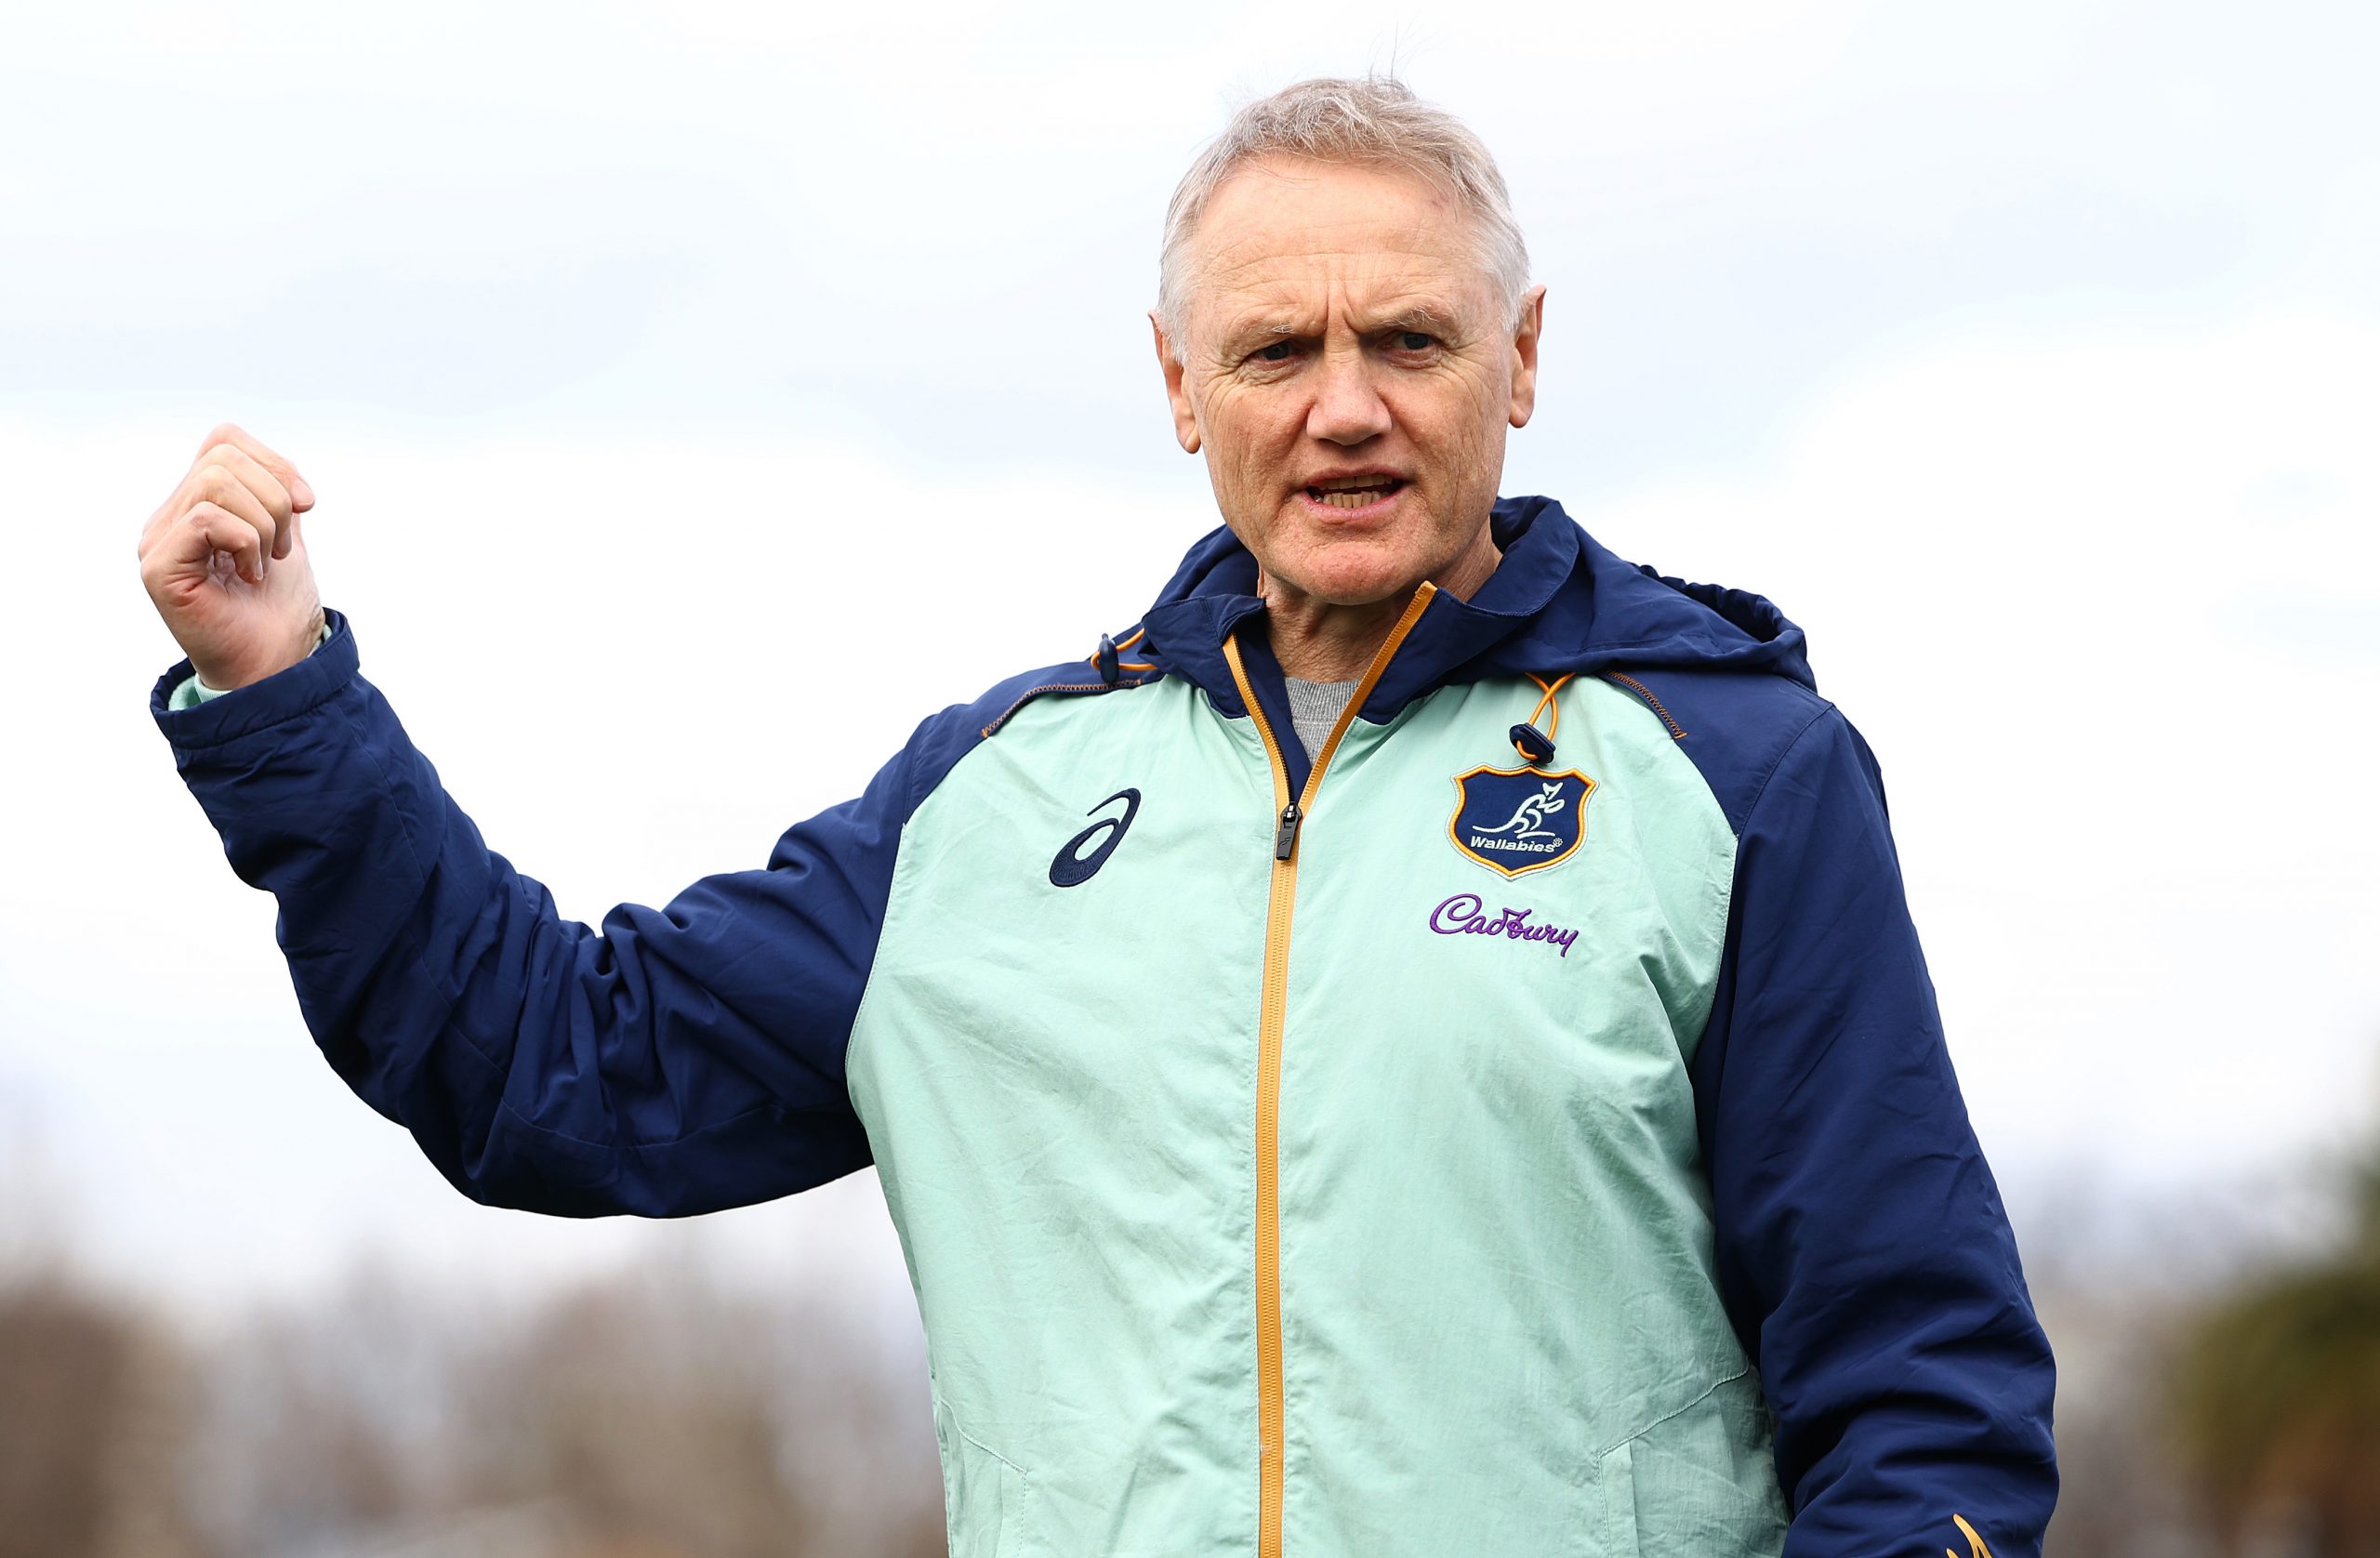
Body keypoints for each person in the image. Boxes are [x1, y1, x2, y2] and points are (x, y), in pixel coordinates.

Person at [138, 75, 2056, 1558]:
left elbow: (1918, 1386)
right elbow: (546, 1064)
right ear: (1174, 384)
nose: (1343, 410)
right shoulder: (992, 807)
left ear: (1521, 360)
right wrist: (283, 692)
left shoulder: (1733, 774)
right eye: (1273, 352)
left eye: (1406, 340)